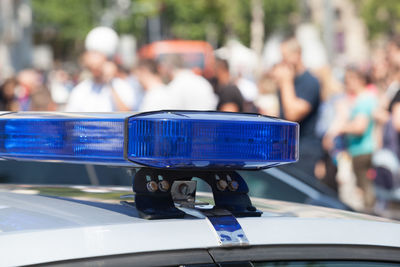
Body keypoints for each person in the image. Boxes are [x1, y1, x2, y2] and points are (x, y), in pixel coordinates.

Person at [272, 37, 321, 177]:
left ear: (297, 55)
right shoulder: (289, 81)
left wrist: (286, 81)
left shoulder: (310, 81)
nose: (282, 62)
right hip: (286, 150)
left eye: (284, 57)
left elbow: (292, 115)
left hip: (304, 152)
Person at [65, 51, 135, 112]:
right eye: (92, 66)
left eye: (99, 65)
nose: (96, 70)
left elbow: (127, 114)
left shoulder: (120, 86)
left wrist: (109, 83)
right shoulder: (81, 89)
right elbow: (70, 117)